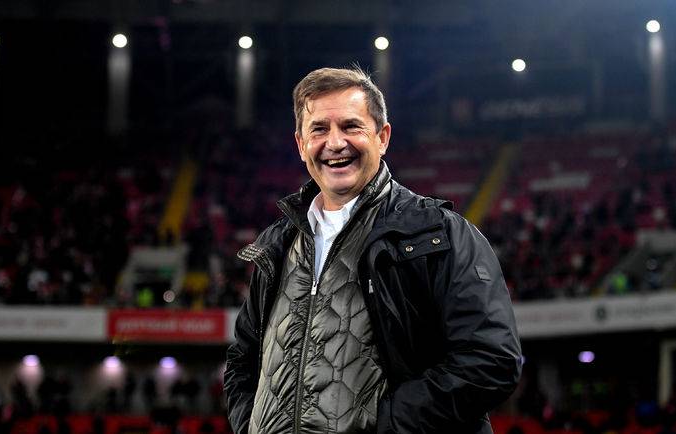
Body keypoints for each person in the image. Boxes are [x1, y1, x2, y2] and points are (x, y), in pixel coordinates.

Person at [224, 67, 522, 434]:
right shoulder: (277, 245)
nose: (335, 143)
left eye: (351, 126)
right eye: (319, 129)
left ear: (382, 137)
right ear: (301, 145)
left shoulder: (440, 233)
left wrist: (386, 426)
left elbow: (491, 360)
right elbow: (241, 362)